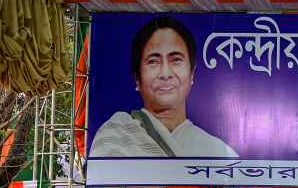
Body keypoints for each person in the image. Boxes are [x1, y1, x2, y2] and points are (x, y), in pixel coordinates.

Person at [89, 15, 238, 157]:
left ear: (192, 73)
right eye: (153, 61)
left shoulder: (220, 153)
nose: (165, 74)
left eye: (176, 60)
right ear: (137, 79)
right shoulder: (115, 135)